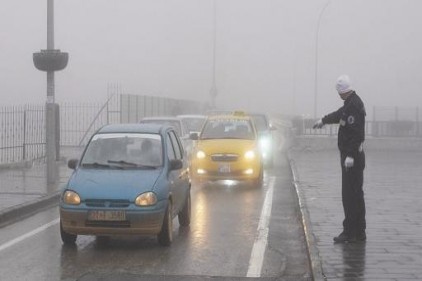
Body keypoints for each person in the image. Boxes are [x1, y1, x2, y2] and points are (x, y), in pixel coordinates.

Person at [313, 75, 367, 243]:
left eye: (338, 92)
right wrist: (324, 120)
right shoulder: (351, 103)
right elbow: (338, 115)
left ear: (342, 91)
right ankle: (358, 231)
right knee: (356, 194)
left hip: (352, 158)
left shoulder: (354, 106)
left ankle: (350, 232)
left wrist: (350, 155)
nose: (338, 95)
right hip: (353, 156)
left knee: (350, 195)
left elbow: (357, 134)